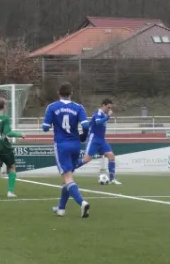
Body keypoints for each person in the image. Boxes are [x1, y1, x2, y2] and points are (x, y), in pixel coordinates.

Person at [42, 82, 91, 218]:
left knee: (68, 178)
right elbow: (86, 125)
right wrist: (83, 136)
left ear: (59, 93)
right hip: (75, 145)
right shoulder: (78, 107)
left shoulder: (52, 107)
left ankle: (82, 203)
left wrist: (50, 123)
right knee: (68, 178)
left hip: (61, 145)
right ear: (71, 94)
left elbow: (45, 128)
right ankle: (61, 209)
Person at [74, 98, 121, 184]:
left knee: (111, 156)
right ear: (103, 105)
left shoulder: (104, 114)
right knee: (86, 160)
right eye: (108, 107)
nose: (109, 110)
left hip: (102, 140)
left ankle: (112, 179)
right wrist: (108, 117)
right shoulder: (98, 113)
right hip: (94, 139)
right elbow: (98, 122)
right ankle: (70, 168)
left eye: (111, 108)